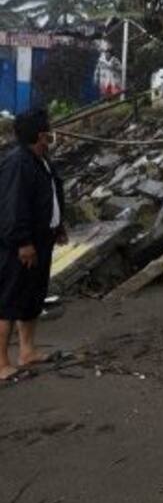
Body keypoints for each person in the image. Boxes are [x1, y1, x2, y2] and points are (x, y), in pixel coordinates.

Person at [0, 108, 66, 380]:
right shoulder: (18, 163)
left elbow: (49, 195)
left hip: (43, 239)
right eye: (49, 129)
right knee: (8, 300)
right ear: (41, 135)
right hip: (21, 245)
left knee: (32, 297)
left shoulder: (41, 159)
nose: (51, 134)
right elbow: (13, 208)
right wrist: (23, 242)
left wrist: (58, 226)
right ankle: (1, 362)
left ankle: (27, 351)